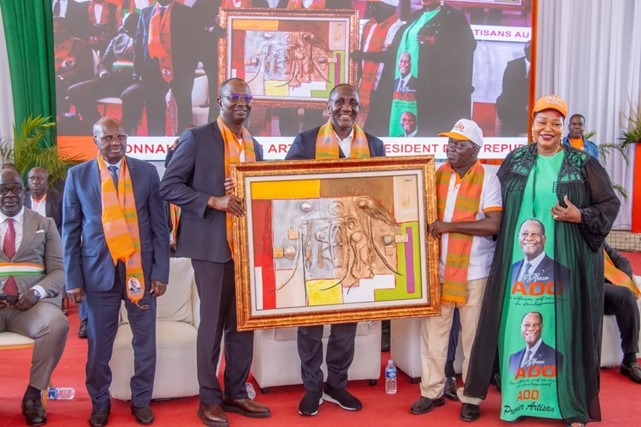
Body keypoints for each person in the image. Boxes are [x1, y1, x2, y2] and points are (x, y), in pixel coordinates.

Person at [463, 94, 621, 426]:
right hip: (517, 269)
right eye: (542, 122)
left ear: (563, 128)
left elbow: (609, 204)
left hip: (564, 267)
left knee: (562, 328)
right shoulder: (515, 160)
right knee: (516, 327)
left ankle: (569, 404)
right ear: (532, 124)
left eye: (555, 123)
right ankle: (517, 402)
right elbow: (495, 205)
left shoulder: (582, 163)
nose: (548, 128)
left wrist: (581, 215)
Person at [159, 78, 271, 427]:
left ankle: (235, 393)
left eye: (246, 98)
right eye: (233, 97)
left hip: (247, 249)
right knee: (211, 326)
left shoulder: (255, 146)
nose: (241, 103)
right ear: (219, 101)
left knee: (243, 325)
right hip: (211, 247)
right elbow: (169, 186)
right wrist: (213, 200)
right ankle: (208, 399)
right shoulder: (196, 138)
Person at [285, 83, 385, 416]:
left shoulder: (374, 145)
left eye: (352, 102)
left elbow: (382, 192)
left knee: (346, 322)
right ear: (327, 107)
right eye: (339, 102)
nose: (346, 107)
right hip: (316, 244)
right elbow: (286, 185)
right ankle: (312, 387)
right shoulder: (306, 141)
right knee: (311, 322)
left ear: (359, 108)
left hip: (356, 245)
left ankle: (336, 385)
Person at [62, 117, 170, 427]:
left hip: (140, 272)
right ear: (95, 141)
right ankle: (100, 403)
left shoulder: (146, 172)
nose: (115, 143)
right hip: (98, 274)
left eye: (120, 136)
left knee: (145, 343)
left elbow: (160, 226)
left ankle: (141, 401)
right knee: (98, 346)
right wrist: (73, 279)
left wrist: (160, 272)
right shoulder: (78, 176)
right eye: (108, 138)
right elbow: (70, 230)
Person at [409, 119, 501, 416]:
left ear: (475, 150)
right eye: (449, 142)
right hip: (438, 271)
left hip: (475, 273)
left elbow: (493, 224)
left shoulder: (488, 179)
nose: (450, 148)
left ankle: (471, 398)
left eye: (459, 145)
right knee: (433, 336)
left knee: (473, 340)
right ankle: (431, 391)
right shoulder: (437, 174)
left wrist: (449, 226)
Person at [0, 166, 68, 427]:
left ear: (24, 191)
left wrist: (37, 292)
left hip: (32, 306)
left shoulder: (44, 223)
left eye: (15, 189)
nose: (9, 195)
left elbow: (59, 270)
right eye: (3, 190)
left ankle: (33, 393)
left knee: (56, 324)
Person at [366, 0, 476, 137]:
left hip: (432, 89)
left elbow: (467, 45)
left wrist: (438, 42)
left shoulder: (453, 17)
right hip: (402, 87)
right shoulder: (416, 16)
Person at [67, 12, 145, 136]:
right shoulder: (118, 39)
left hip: (135, 82)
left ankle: (124, 132)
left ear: (139, 25)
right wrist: (103, 73)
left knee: (131, 95)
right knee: (75, 91)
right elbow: (103, 63)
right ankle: (100, 127)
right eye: (124, 26)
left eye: (129, 27)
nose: (124, 30)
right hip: (111, 81)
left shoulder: (149, 41)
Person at [134, 0, 197, 136]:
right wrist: (137, 70)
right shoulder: (145, 12)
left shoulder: (186, 13)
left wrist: (190, 68)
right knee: (154, 108)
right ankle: (156, 140)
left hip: (181, 70)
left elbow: (194, 43)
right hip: (152, 70)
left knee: (184, 107)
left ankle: (185, 140)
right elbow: (139, 42)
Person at [352, 0, 402, 127]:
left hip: (382, 87)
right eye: (370, 5)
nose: (371, 8)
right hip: (365, 85)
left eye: (375, 5)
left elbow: (390, 56)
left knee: (376, 124)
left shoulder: (396, 27)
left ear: (389, 8)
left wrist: (363, 55)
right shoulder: (370, 25)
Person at [603, 243, 641, 383]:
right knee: (623, 295)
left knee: (626, 295)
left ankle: (629, 360)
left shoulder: (597, 241)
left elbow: (623, 261)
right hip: (584, 290)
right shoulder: (569, 243)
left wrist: (623, 282)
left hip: (606, 292)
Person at [511, 218, 571, 286]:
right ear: (518, 237)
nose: (529, 238)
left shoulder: (561, 272)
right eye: (525, 234)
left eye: (535, 234)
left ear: (544, 239)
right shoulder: (511, 269)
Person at [508, 312, 563, 376]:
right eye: (527, 325)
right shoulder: (513, 358)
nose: (531, 329)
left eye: (535, 325)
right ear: (521, 327)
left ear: (541, 327)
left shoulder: (555, 357)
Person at [495, 41, 531, 137]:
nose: (530, 52)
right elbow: (506, 89)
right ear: (525, 51)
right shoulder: (513, 65)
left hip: (531, 112)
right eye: (528, 50)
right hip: (512, 110)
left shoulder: (543, 66)